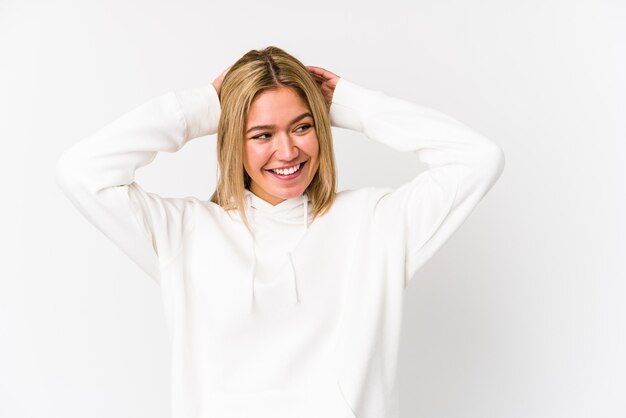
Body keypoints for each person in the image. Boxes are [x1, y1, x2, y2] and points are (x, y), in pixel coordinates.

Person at [55, 46, 505, 418]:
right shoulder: (185, 233)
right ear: (233, 138)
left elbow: (477, 159)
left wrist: (351, 104)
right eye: (261, 134)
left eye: (303, 126)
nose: (287, 150)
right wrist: (202, 108)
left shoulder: (377, 224)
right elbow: (81, 172)